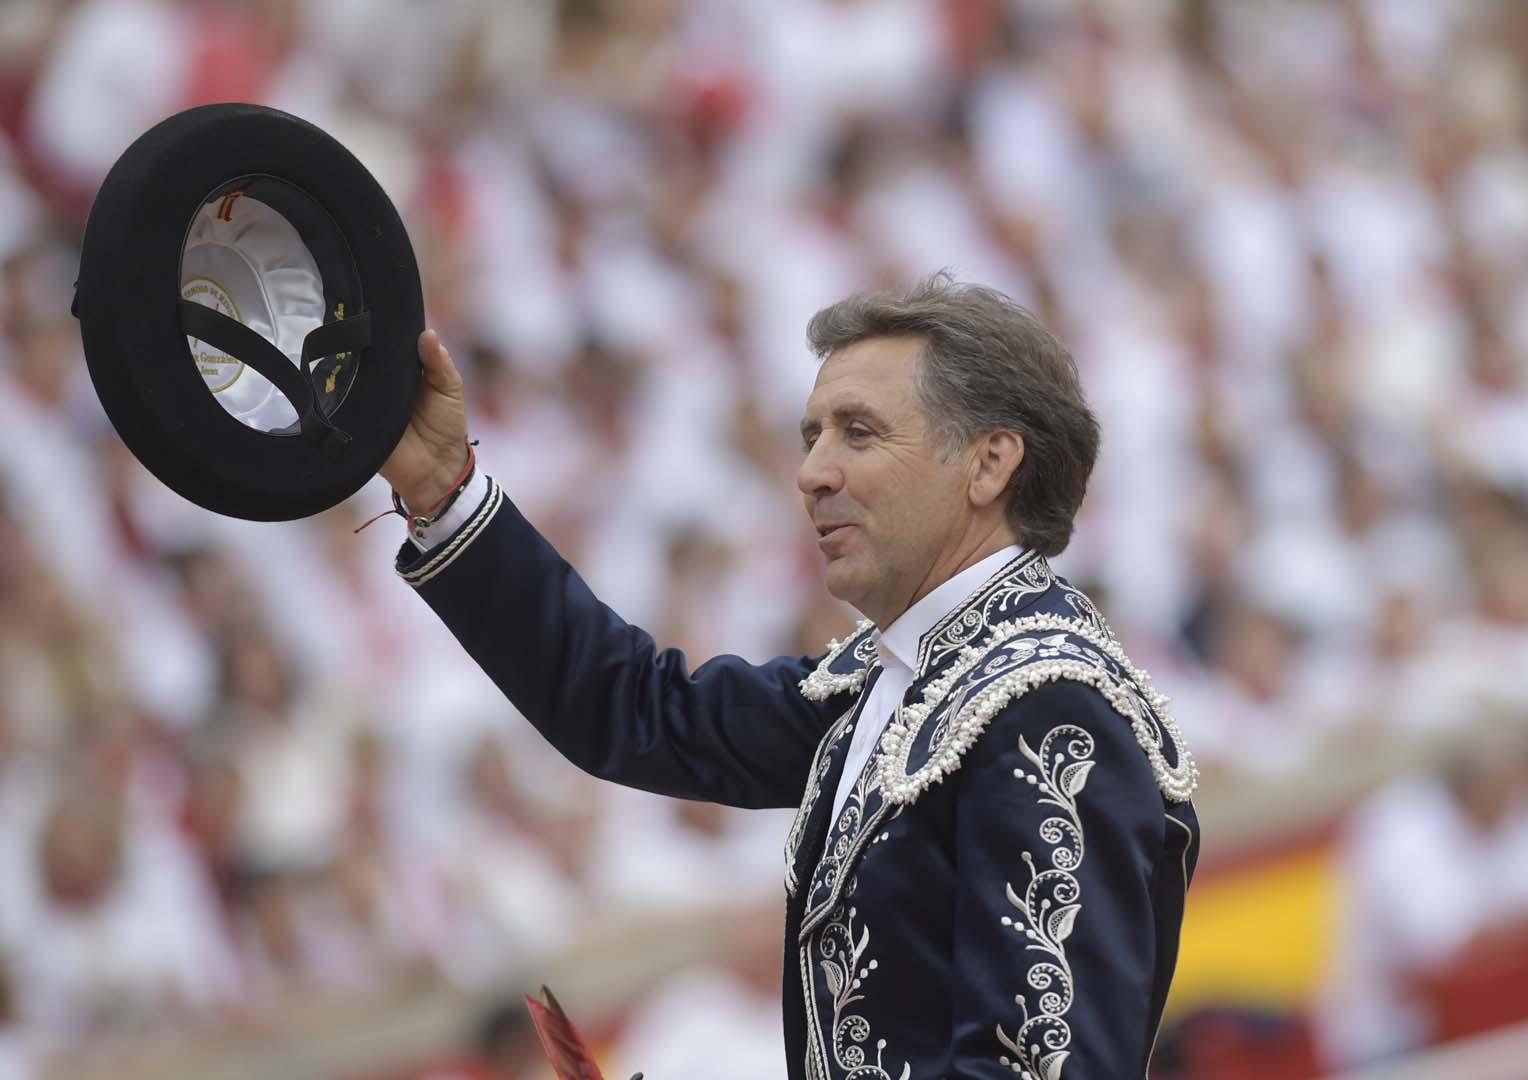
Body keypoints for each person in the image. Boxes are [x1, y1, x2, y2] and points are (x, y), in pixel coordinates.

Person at [378, 274, 1201, 1079]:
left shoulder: (1046, 702)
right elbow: (639, 713)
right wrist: (443, 491)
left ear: (988, 464)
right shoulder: (904, 676)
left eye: (859, 432)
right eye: (813, 436)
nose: (812, 473)